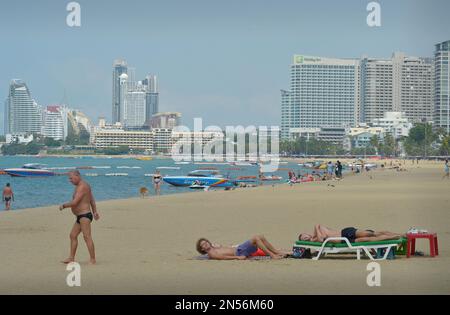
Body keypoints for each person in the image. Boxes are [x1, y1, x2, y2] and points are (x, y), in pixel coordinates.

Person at [59, 170, 99, 264]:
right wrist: (95, 212)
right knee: (72, 235)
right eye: (69, 178)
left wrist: (63, 206)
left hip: (84, 216)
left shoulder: (82, 186)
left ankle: (92, 259)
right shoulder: (81, 186)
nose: (70, 180)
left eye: (71, 178)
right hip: (80, 216)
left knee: (87, 237)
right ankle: (71, 258)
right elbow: (92, 200)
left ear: (77, 176)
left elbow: (75, 202)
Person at [196, 235, 291, 260]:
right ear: (202, 249)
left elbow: (224, 250)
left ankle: (275, 252)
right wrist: (237, 257)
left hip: (239, 249)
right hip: (239, 252)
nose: (206, 244)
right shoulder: (212, 253)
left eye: (206, 242)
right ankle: (273, 255)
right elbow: (223, 257)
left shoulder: (214, 248)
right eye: (203, 245)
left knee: (260, 237)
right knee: (256, 238)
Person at [298, 224, 405, 243]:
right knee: (369, 239)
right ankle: (394, 237)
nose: (306, 237)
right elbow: (322, 239)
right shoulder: (315, 238)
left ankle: (400, 234)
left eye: (304, 235)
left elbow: (319, 228)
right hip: (345, 240)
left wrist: (316, 228)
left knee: (372, 233)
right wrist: (316, 227)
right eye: (304, 239)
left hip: (346, 232)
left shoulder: (317, 232)